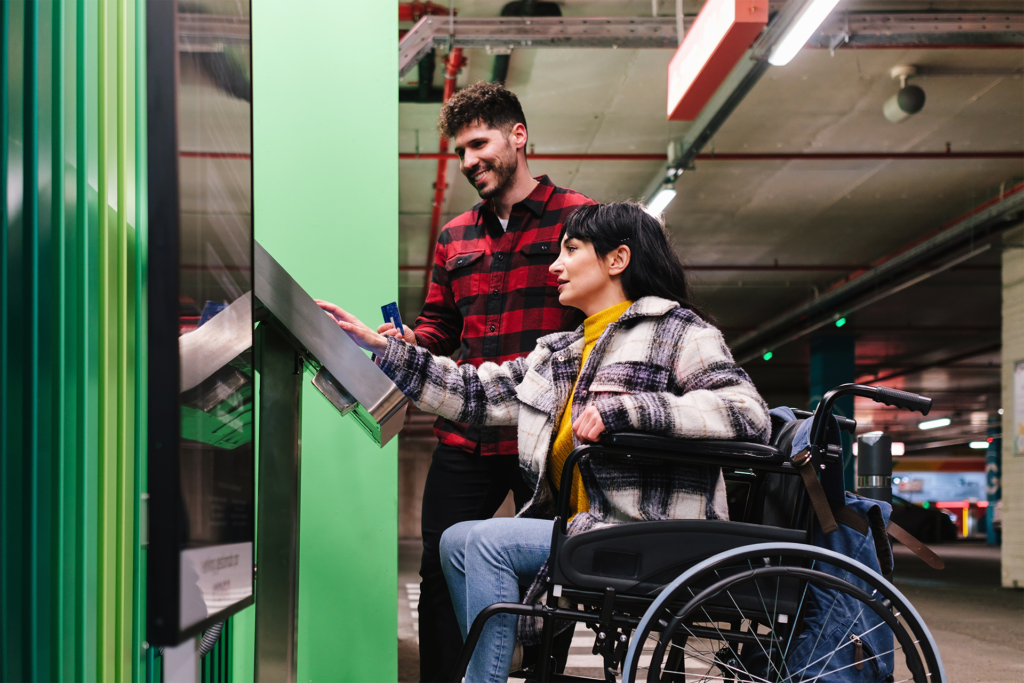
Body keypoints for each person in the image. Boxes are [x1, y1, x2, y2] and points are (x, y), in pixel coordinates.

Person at [320, 202, 771, 683]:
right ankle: (501, 655)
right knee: (455, 542)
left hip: (654, 534)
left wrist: (630, 410)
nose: (555, 266)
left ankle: (485, 675)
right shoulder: (566, 350)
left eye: (571, 250)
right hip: (589, 528)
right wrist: (387, 350)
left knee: (490, 542)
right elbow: (477, 393)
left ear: (617, 260)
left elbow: (747, 413)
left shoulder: (678, 331)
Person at [323, 81, 594, 683]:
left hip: (547, 435)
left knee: (556, 577)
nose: (470, 162)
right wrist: (398, 346)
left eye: (479, 144)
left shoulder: (579, 218)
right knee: (440, 574)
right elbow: (438, 329)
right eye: (461, 152)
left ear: (518, 136)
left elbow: (598, 319)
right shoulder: (455, 238)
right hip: (468, 432)